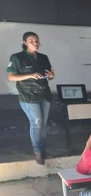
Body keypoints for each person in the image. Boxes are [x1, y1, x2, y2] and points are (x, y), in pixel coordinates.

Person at [7, 31, 56, 165]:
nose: (35, 43)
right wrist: (30, 75)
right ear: (25, 43)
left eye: (37, 40)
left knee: (44, 124)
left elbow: (51, 75)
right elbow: (11, 77)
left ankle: (43, 150)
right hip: (28, 96)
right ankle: (37, 152)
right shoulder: (17, 57)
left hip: (44, 94)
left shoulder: (43, 57)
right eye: (31, 41)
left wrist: (51, 76)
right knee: (37, 122)